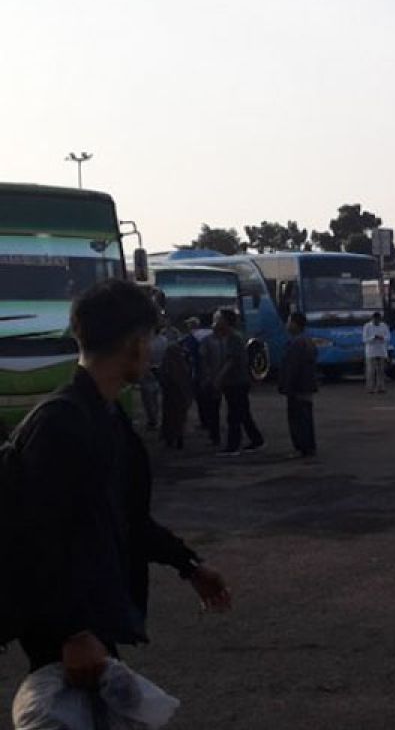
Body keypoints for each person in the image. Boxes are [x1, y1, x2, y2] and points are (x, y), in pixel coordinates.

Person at [7, 279, 232, 682]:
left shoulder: (108, 420)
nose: (151, 348)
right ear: (135, 343)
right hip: (64, 640)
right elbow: (31, 539)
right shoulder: (60, 424)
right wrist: (71, 632)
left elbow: (127, 519)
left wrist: (189, 565)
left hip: (93, 624)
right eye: (150, 336)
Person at [213, 308, 264, 458]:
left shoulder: (233, 338)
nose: (216, 322)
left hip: (236, 382)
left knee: (234, 414)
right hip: (237, 381)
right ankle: (256, 440)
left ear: (226, 321)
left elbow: (232, 360)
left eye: (218, 318)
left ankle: (233, 446)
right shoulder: (230, 337)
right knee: (243, 413)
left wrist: (219, 377)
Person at [279, 311, 319, 458]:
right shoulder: (308, 341)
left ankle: (302, 447)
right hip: (307, 386)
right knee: (306, 417)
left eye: (289, 321)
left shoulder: (296, 343)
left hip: (298, 387)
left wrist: (287, 386)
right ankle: (309, 446)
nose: (287, 325)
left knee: (297, 418)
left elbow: (292, 368)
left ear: (295, 324)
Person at [158, 327, 194, 450]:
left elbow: (163, 377)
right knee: (180, 418)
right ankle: (179, 438)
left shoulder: (167, 366)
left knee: (170, 417)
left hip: (170, 397)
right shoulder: (182, 365)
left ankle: (170, 438)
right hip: (180, 396)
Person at [197, 318, 224, 446]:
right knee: (215, 408)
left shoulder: (207, 341)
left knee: (212, 408)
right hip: (220, 378)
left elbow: (203, 361)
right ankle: (215, 434)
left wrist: (205, 378)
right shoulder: (224, 340)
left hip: (212, 379)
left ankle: (214, 434)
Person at [138, 324, 167, 430]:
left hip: (148, 369)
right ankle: (155, 416)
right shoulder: (164, 340)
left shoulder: (147, 342)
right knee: (155, 395)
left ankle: (152, 419)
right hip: (160, 368)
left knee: (147, 397)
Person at [363, 312, 390, 395]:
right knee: (371, 371)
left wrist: (382, 338)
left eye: (378, 319)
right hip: (371, 352)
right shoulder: (367, 326)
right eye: (375, 319)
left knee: (381, 371)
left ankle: (380, 387)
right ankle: (370, 388)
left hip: (381, 351)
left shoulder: (384, 326)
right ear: (372, 319)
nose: (376, 321)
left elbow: (388, 337)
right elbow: (364, 339)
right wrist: (373, 337)